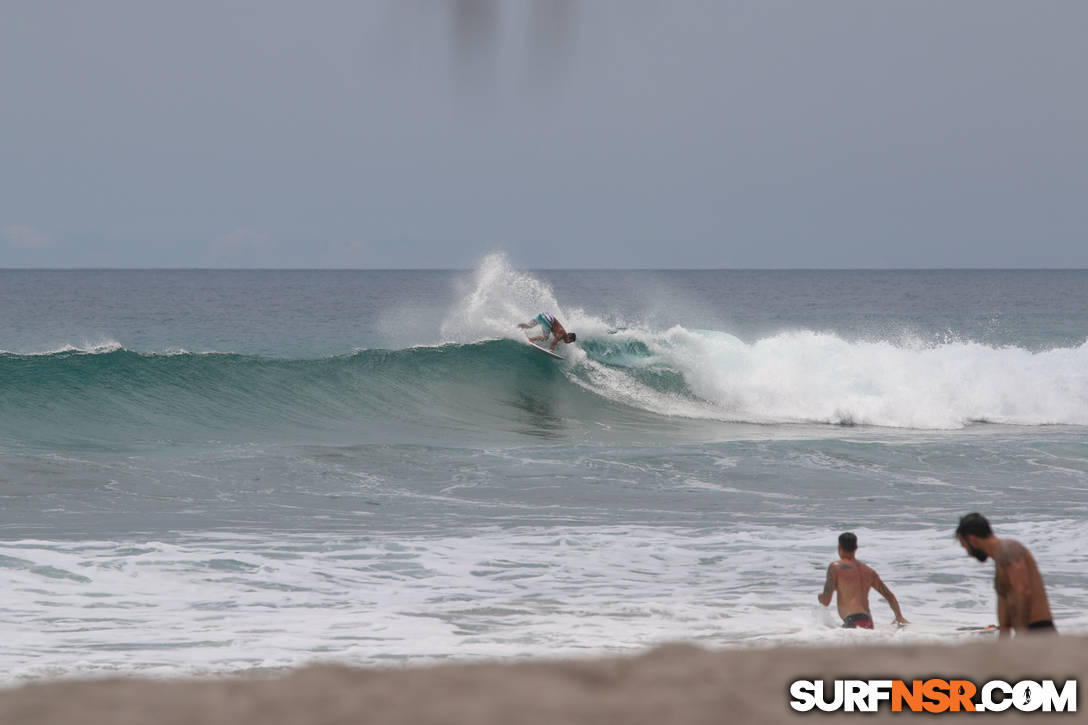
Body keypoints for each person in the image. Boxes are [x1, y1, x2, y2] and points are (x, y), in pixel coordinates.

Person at [956, 513, 1055, 636]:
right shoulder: (999, 559)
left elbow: (1023, 590)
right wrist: (1004, 637)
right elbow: (1004, 602)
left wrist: (1021, 633)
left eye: (965, 546)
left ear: (972, 539)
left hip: (1038, 630)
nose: (968, 552)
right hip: (1024, 631)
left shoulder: (1009, 549)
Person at [818, 532, 909, 629]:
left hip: (852, 621)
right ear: (856, 548)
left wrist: (821, 597)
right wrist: (899, 616)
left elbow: (826, 601)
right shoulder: (868, 571)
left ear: (839, 548)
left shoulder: (835, 567)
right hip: (868, 621)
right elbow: (890, 596)